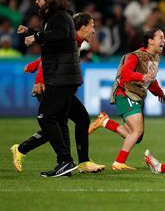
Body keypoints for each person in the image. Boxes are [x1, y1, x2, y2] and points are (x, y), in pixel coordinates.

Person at [11, 12, 105, 174]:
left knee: (79, 119)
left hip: (59, 85)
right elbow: (49, 55)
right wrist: (39, 80)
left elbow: (50, 53)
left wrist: (33, 64)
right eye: (92, 26)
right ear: (82, 27)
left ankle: (80, 163)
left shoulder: (77, 40)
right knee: (57, 126)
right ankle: (22, 149)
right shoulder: (72, 39)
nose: (94, 31)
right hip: (50, 86)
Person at [16, 0, 82, 177]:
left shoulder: (60, 16)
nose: (37, 1)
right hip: (63, 75)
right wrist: (31, 31)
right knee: (60, 120)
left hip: (63, 75)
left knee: (45, 116)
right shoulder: (57, 17)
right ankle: (65, 165)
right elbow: (56, 37)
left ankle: (65, 161)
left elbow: (60, 37)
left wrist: (36, 36)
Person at [88, 28, 165, 170]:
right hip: (126, 93)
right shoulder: (136, 56)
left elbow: (150, 79)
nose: (164, 40)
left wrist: (159, 93)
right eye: (160, 38)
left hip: (136, 96)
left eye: (164, 38)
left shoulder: (154, 57)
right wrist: (142, 77)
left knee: (136, 136)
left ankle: (104, 122)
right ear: (150, 41)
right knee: (136, 131)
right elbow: (125, 73)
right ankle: (119, 162)